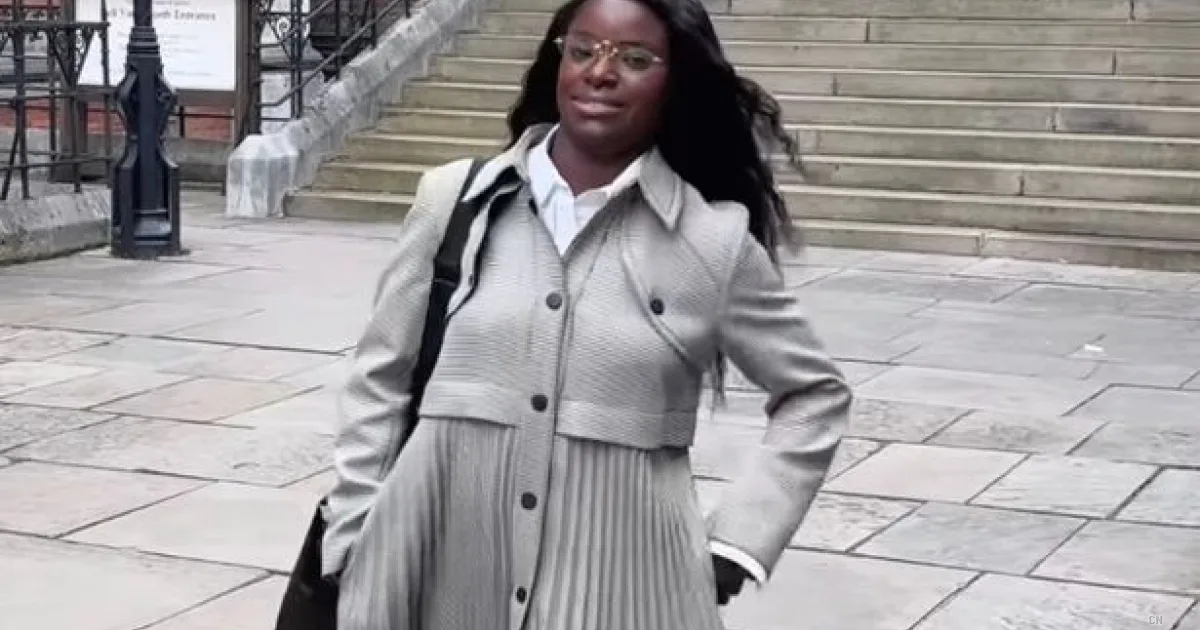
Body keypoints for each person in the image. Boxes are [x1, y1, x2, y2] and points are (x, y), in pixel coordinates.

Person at [321, 0, 852, 627]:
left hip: (625, 592)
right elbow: (380, 377)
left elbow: (815, 394)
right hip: (436, 568)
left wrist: (741, 539)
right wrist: (355, 532)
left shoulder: (712, 243)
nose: (601, 73)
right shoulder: (455, 203)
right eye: (582, 51)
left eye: (636, 59)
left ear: (675, 81)